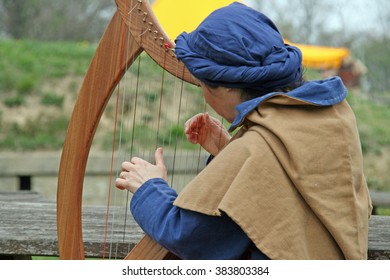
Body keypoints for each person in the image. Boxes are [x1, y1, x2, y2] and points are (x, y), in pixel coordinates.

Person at [115, 2, 372, 259]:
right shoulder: (332, 117)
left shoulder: (257, 149)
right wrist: (230, 152)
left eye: (202, 84)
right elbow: (285, 197)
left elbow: (188, 235)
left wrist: (149, 185)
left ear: (226, 88)